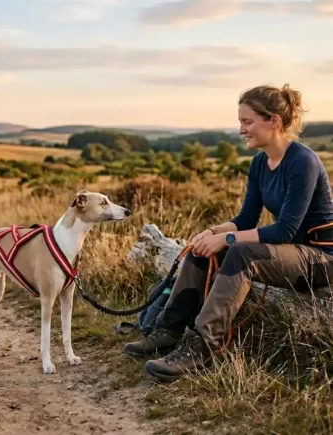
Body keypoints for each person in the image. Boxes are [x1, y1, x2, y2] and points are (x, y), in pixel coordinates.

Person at [124, 83, 333, 381]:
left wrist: (228, 239)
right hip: (286, 254)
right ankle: (167, 330)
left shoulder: (303, 162)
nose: (241, 130)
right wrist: (211, 233)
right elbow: (247, 218)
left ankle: (202, 347)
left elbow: (286, 230)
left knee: (241, 252)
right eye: (240, 122)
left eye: (247, 122)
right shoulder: (261, 162)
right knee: (205, 248)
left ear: (273, 120)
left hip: (320, 260)